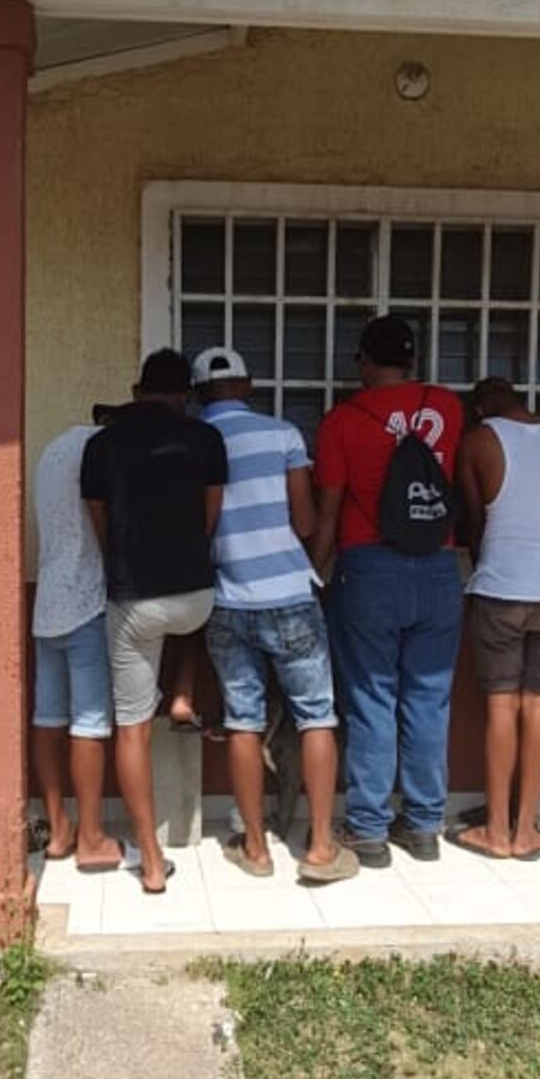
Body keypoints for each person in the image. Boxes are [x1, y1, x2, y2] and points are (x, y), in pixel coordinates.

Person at [191, 346, 358, 886]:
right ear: (249, 383)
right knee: (316, 717)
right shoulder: (282, 433)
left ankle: (257, 850)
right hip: (289, 592)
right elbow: (308, 521)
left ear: (199, 392)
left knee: (243, 718)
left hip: (225, 596)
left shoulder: (196, 438)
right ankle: (321, 848)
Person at [313, 315, 464, 865]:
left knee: (371, 698)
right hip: (440, 564)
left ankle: (369, 830)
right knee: (429, 697)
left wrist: (316, 571)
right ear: (414, 360)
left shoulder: (343, 422)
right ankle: (424, 825)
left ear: (363, 362)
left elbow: (328, 510)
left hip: (370, 567)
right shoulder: (447, 408)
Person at [81, 348, 227, 894]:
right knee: (194, 622)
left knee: (132, 729)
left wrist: (119, 561)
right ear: (186, 393)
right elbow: (210, 519)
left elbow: (99, 520)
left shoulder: (102, 444)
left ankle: (149, 860)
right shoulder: (207, 440)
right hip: (195, 593)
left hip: (133, 597)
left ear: (138, 389)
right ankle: (185, 692)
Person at [452, 377, 540, 862]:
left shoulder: (480, 440)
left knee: (502, 709)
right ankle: (528, 831)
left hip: (503, 587)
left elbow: (475, 519)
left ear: (481, 408)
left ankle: (496, 831)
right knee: (539, 704)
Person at [31, 420, 123, 874]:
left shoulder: (51, 452)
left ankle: (59, 828)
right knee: (90, 722)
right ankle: (91, 836)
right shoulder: (99, 451)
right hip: (87, 598)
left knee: (47, 718)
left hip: (46, 602)